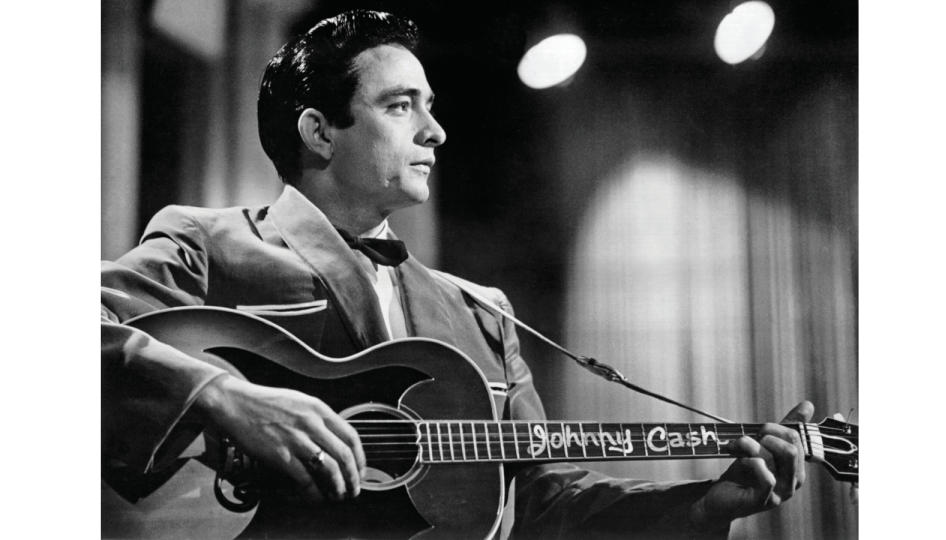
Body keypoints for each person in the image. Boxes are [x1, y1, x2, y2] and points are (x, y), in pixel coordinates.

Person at [102, 9, 814, 539]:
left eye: (432, 107)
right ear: (319, 131)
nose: (435, 132)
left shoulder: (481, 312)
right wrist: (226, 397)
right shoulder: (206, 243)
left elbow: (539, 500)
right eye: (400, 105)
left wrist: (704, 505)